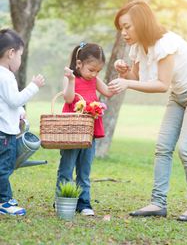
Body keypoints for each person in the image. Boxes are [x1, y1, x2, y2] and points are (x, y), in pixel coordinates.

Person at [108, 1, 187, 222]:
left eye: (127, 26)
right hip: (178, 96)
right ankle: (158, 203)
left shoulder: (165, 43)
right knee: (162, 148)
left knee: (186, 148)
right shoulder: (138, 47)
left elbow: (161, 85)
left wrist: (127, 84)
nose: (124, 32)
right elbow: (137, 79)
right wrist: (125, 73)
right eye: (121, 28)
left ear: (141, 22)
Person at [55, 42, 113, 216]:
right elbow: (68, 98)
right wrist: (72, 80)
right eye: (91, 69)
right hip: (72, 131)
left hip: (89, 131)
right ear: (79, 63)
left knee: (84, 169)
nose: (94, 74)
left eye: (98, 71)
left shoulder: (94, 79)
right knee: (67, 168)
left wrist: (123, 76)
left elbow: (108, 92)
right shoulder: (70, 77)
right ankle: (62, 200)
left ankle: (84, 203)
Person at [0, 28, 45, 216]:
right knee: (4, 167)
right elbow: (15, 99)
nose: (19, 59)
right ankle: (4, 202)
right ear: (11, 53)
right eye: (20, 55)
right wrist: (34, 86)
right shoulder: (6, 75)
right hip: (4, 133)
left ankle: (5, 197)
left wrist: (19, 112)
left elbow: (6, 101)